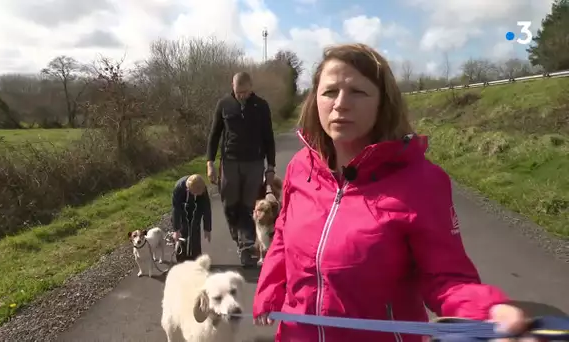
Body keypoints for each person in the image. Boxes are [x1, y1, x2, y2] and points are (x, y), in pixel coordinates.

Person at [252, 43, 538, 341]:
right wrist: (270, 288)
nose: (340, 104)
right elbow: (284, 232)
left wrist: (488, 313)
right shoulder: (301, 167)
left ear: (382, 103)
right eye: (330, 92)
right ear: (315, 101)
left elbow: (447, 278)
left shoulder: (422, 181)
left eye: (358, 92)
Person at [206, 71, 276, 266]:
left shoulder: (261, 106)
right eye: (238, 92)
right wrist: (210, 163)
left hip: (254, 162)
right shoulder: (224, 104)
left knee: (248, 205)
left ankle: (246, 246)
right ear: (233, 87)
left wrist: (270, 166)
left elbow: (269, 138)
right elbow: (214, 135)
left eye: (244, 92)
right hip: (229, 162)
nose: (241, 96)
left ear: (251, 88)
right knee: (230, 205)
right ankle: (239, 239)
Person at [171, 174, 212, 263]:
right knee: (182, 231)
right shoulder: (179, 188)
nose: (198, 194)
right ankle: (181, 258)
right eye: (196, 193)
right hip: (182, 207)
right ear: (188, 189)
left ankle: (196, 258)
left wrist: (207, 229)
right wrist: (176, 230)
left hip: (197, 206)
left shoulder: (202, 188)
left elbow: (206, 208)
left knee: (195, 228)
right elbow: (176, 209)